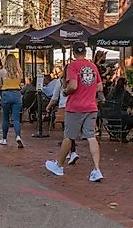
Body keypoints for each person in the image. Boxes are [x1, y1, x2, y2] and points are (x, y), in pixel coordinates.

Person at [45, 41, 104, 182]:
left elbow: (73, 85)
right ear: (85, 52)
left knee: (69, 136)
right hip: (91, 106)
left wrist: (65, 92)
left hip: (76, 107)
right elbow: (100, 87)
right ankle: (96, 169)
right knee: (91, 137)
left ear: (73, 52)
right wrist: (88, 91)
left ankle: (59, 166)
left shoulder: (73, 65)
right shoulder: (93, 66)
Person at [47, 63, 79, 165]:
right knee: (71, 131)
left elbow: (55, 97)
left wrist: (49, 106)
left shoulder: (60, 81)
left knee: (67, 132)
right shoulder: (76, 81)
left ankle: (71, 152)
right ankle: (72, 152)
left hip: (63, 107)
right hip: (75, 107)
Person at [0, 54, 25, 148]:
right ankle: (18, 136)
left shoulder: (1, 72)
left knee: (5, 118)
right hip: (17, 94)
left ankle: (4, 139)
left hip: (6, 93)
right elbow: (21, 84)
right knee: (16, 118)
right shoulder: (19, 72)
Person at [105, 77, 133, 141]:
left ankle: (117, 132)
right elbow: (132, 102)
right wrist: (130, 93)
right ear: (124, 85)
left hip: (110, 117)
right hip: (121, 116)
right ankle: (123, 134)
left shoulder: (111, 93)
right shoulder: (125, 93)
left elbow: (106, 102)